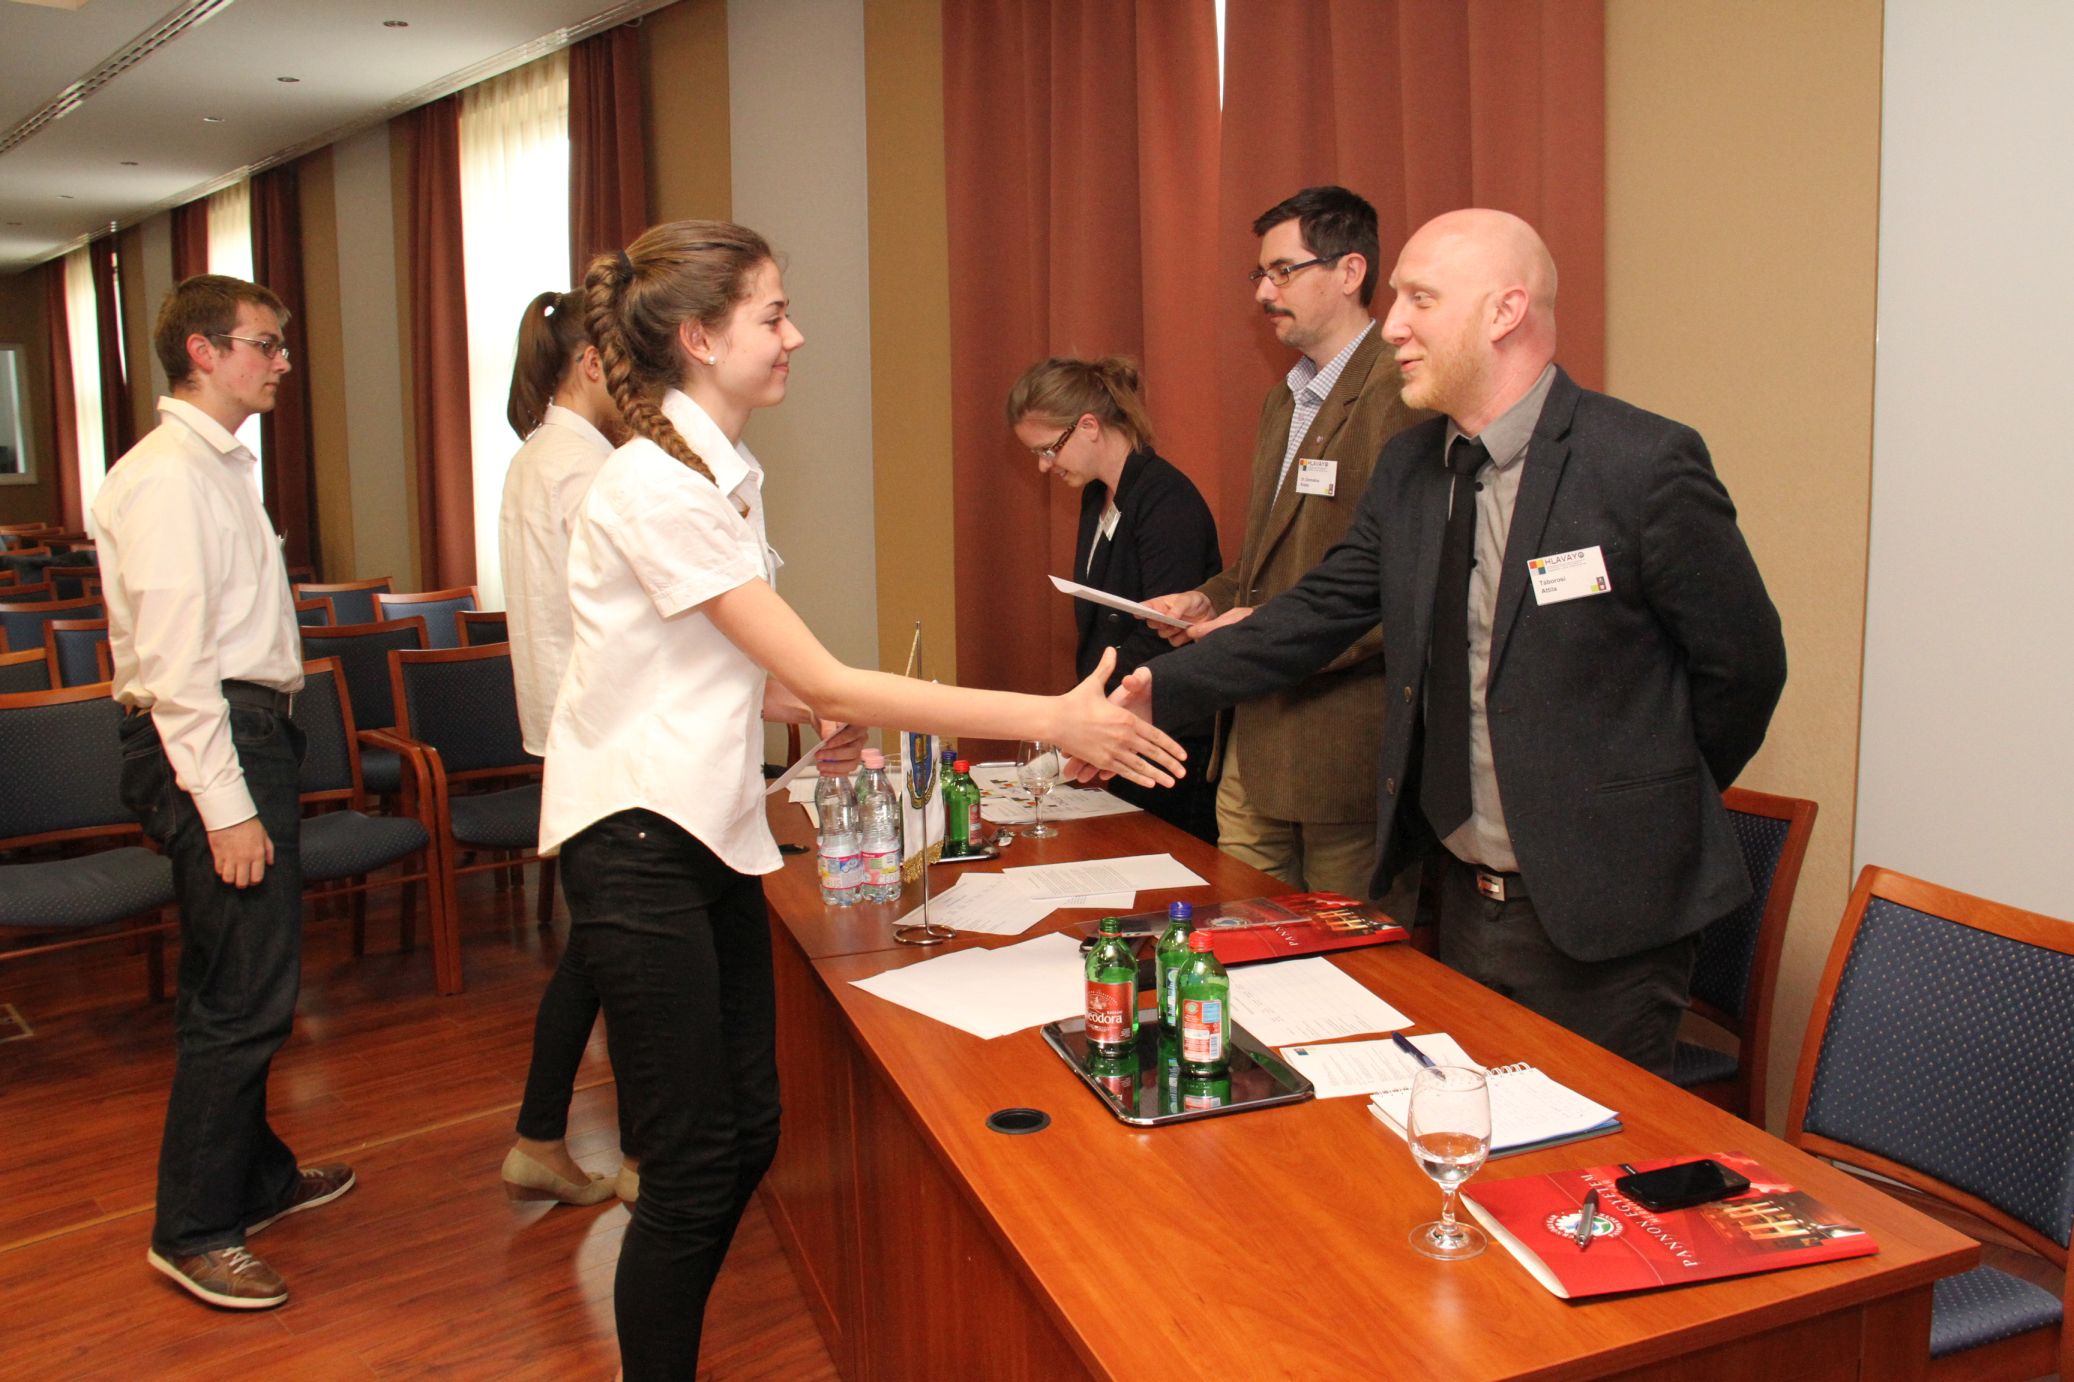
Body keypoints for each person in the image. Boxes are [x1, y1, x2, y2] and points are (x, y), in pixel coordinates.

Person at [547, 220, 1182, 1378]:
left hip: (698, 832)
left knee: (748, 1130)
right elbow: (829, 674)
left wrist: (792, 705)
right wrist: (1050, 716)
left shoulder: (713, 474)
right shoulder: (655, 486)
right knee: (691, 1166)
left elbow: (702, 659)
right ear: (700, 338)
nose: (795, 335)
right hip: (639, 840)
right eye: (772, 315)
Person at [1117, 209, 1787, 1078]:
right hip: (1466, 898)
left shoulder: (1639, 463)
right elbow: (1314, 611)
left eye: (1420, 299)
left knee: (1587, 1148)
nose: (1394, 324)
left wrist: (1639, 803)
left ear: (1504, 312)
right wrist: (1155, 690)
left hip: (1609, 916)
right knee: (1475, 1129)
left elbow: (1744, 670)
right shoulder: (1411, 469)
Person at [96, 275, 354, 1311]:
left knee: (238, 981)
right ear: (203, 352)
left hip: (248, 733)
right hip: (215, 743)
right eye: (264, 343)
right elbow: (175, 667)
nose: (282, 360)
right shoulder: (168, 478)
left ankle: (256, 1178)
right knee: (243, 997)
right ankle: (194, 1229)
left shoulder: (216, 467)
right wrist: (227, 803)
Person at [1141, 186, 1427, 902]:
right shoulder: (1283, 399)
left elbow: (1404, 583)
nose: (1264, 293)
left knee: (1350, 960)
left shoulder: (1399, 390)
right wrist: (1207, 598)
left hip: (1342, 753)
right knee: (1243, 942)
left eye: (1283, 271)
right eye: (1260, 275)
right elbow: (1270, 559)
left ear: (1351, 271)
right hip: (1253, 742)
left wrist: (1267, 629)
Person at [494, 290, 633, 1207]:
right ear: (591, 365)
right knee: (621, 954)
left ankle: (541, 1134)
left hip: (571, 732)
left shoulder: (541, 455)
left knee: (596, 949)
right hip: (608, 734)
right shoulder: (586, 469)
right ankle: (635, 1151)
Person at [1006, 355, 1221, 840]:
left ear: (1088, 427)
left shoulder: (1167, 501)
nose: (1043, 466)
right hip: (1119, 725)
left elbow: (1164, 635)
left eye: (1048, 450)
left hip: (1169, 737)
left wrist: (1086, 711)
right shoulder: (1096, 496)